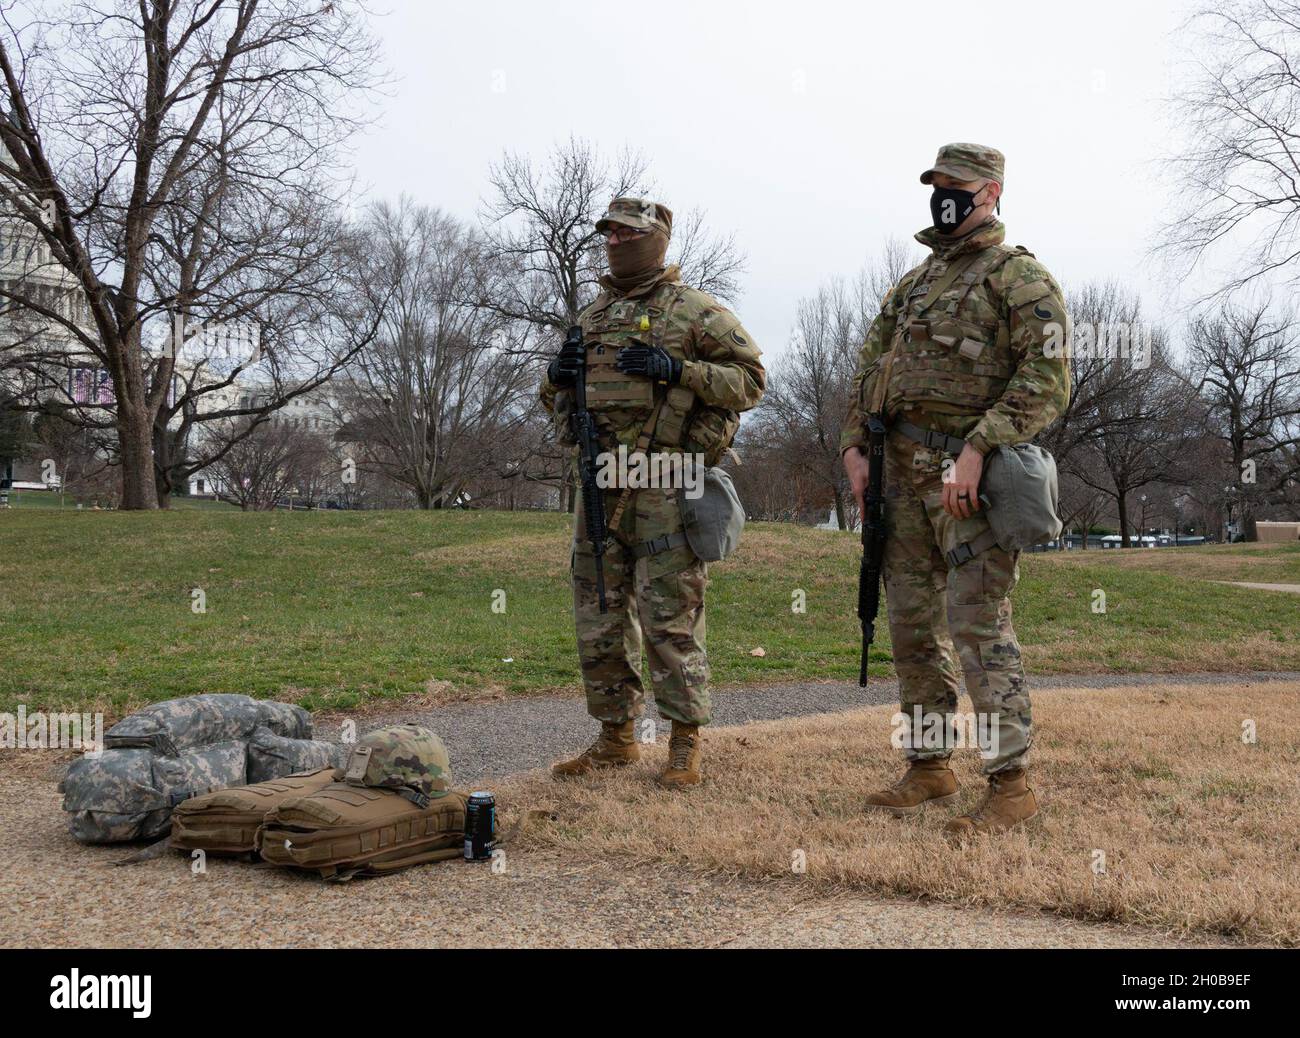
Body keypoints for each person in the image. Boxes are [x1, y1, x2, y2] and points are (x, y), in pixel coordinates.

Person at [841, 144, 1070, 834]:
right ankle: (930, 766)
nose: (944, 196)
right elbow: (869, 364)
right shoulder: (912, 284)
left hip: (969, 482)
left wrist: (979, 447)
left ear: (991, 191)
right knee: (912, 627)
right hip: (896, 478)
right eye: (936, 184)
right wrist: (853, 446)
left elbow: (1049, 377)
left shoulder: (1018, 276)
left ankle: (1010, 783)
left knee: (977, 626)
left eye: (958, 186)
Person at [540, 197, 765, 787]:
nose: (614, 240)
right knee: (599, 611)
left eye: (626, 232)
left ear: (657, 238)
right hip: (600, 480)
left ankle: (684, 741)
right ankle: (616, 736)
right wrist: (557, 379)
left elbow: (751, 383)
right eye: (608, 232)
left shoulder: (697, 313)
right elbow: (556, 399)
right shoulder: (590, 319)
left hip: (667, 482)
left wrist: (677, 371)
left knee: (671, 617)